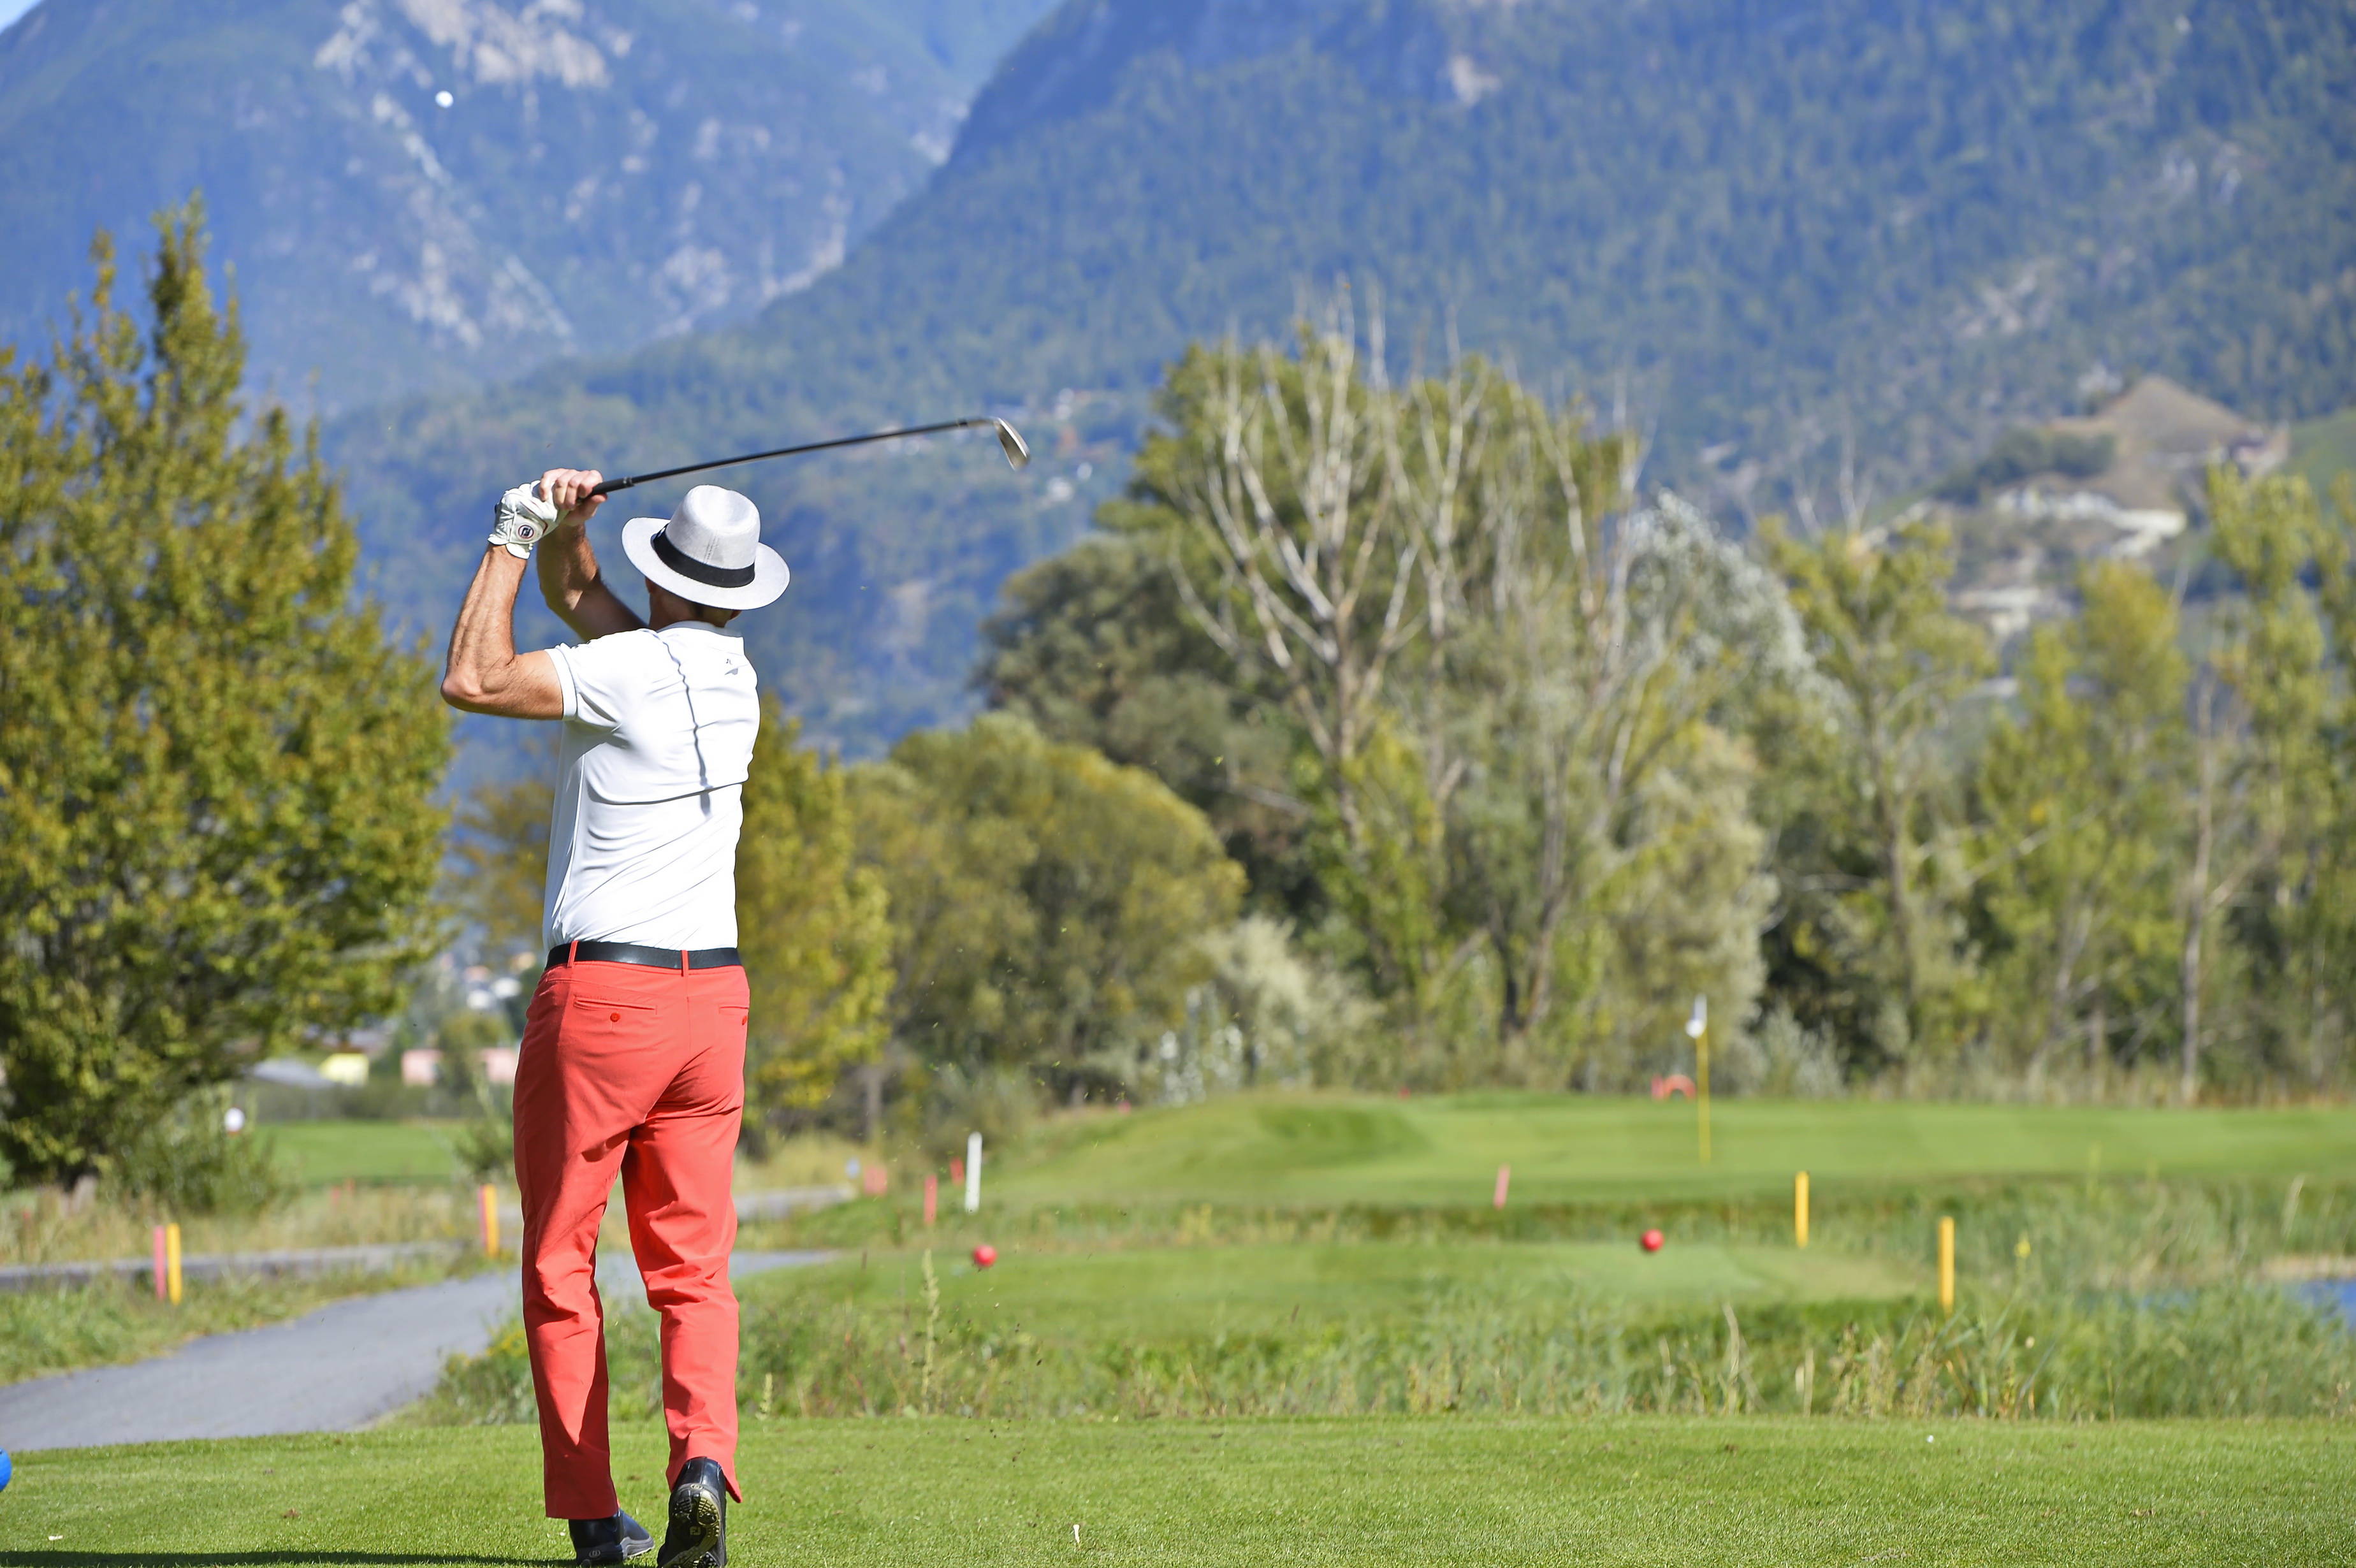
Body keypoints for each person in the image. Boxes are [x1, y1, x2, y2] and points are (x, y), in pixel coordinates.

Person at [440, 469, 790, 1568]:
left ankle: (595, 1518)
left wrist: (516, 530)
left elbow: (473, 677)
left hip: (603, 1001)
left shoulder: (626, 669)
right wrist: (573, 535)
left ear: (663, 573)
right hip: (712, 1007)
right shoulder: (733, 678)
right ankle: (701, 1469)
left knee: (560, 1263)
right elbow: (584, 602)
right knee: (694, 1269)